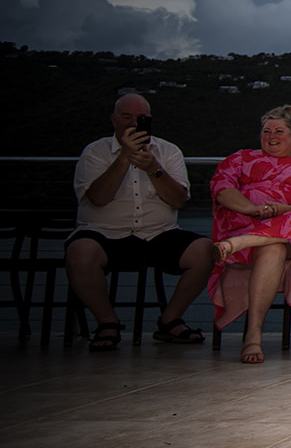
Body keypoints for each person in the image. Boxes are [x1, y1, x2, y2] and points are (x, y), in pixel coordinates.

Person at [66, 94, 214, 350]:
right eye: (126, 117)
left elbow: (178, 200)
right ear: (114, 120)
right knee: (79, 253)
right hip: (105, 234)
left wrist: (154, 169)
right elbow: (98, 198)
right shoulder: (95, 152)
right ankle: (107, 322)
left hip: (158, 233)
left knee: (206, 250)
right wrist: (123, 158)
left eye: (141, 118)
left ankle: (170, 319)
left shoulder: (168, 151)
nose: (133, 123)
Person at [209, 105, 291, 364]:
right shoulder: (241, 159)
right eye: (266, 131)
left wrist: (287, 209)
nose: (272, 136)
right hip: (248, 227)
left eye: (279, 131)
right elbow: (221, 188)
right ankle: (253, 336)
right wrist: (253, 210)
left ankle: (239, 244)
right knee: (272, 248)